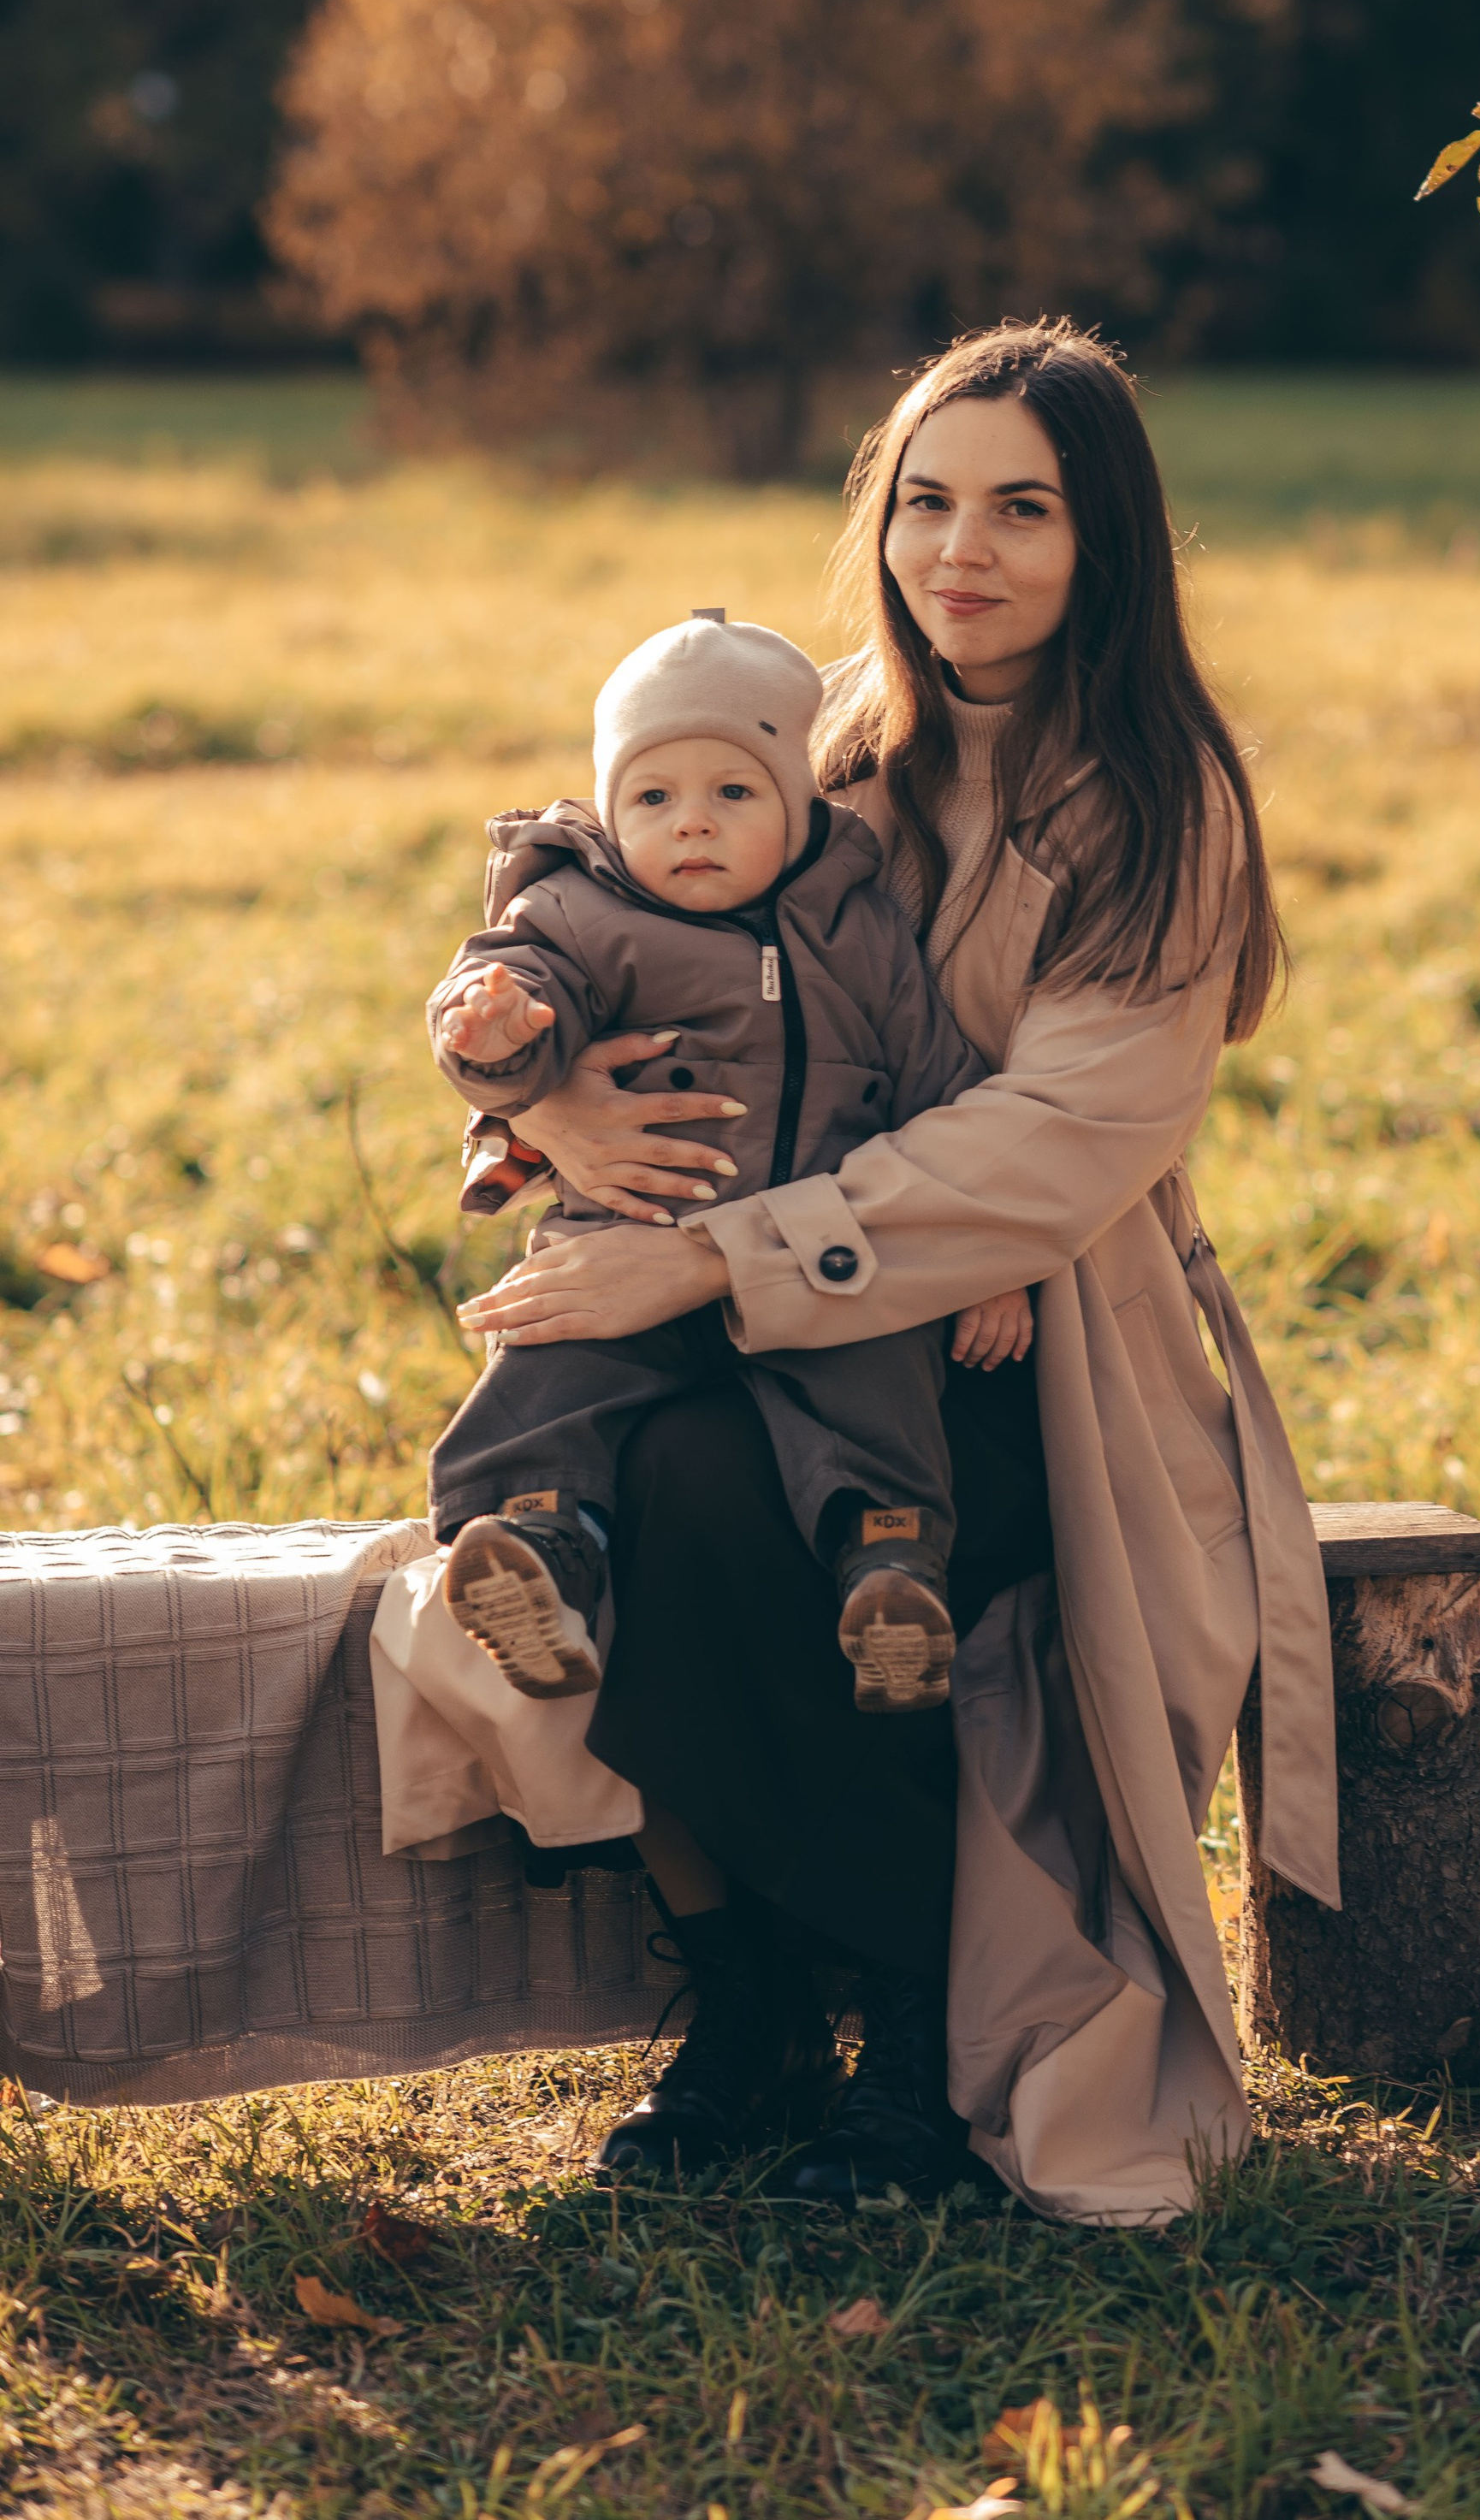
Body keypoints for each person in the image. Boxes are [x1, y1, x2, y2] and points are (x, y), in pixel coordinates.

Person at [454, 321, 1339, 2223]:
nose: (963, 552)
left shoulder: (1160, 802)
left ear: (1105, 539)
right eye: (928, 502)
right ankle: (752, 2006)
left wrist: (702, 1260)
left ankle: (921, 2043)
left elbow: (1060, 1135)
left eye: (1023, 510)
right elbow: (605, 914)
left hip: (1030, 1346)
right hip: (751, 1299)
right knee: (643, 1479)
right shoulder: (823, 741)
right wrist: (548, 1110)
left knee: (769, 1506)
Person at [425, 609, 1021, 1718]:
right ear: (610, 811)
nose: (691, 823)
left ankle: (890, 1579)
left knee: (878, 1383)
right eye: (653, 797)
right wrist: (495, 1033)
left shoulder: (858, 929)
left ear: (801, 806)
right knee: (554, 1369)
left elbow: (943, 1086)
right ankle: (535, 1553)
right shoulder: (581, 915)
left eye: (734, 792)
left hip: (814, 1253)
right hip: (625, 1247)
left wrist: (987, 1259)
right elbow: (516, 1003)